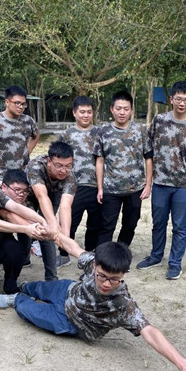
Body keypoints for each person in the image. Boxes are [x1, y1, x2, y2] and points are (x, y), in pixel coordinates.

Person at [0, 235, 186, 371]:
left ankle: (16, 299)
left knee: (28, 309)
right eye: (102, 276)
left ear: (123, 274)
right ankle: (24, 287)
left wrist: (184, 364)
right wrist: (54, 234)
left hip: (71, 323)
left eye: (114, 279)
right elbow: (73, 247)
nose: (107, 283)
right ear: (96, 266)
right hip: (67, 291)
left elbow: (150, 332)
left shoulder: (123, 304)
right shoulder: (93, 263)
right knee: (38, 287)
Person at [137, 81, 186, 280]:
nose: (182, 103)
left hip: (183, 184)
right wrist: (148, 182)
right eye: (178, 99)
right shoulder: (159, 121)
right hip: (161, 182)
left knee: (179, 226)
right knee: (158, 223)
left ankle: (175, 263)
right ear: (171, 99)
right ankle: (156, 256)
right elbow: (149, 151)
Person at [95, 91, 152, 248]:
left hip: (135, 188)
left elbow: (148, 158)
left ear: (131, 110)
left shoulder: (141, 130)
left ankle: (121, 253)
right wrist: (100, 188)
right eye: (118, 108)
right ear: (112, 109)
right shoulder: (103, 132)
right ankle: (102, 257)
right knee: (106, 225)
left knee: (130, 225)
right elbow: (100, 160)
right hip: (110, 189)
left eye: (126, 109)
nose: (122, 112)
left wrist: (148, 185)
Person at [56, 96, 102, 268]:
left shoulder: (100, 133)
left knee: (95, 223)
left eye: (89, 112)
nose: (86, 115)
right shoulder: (66, 134)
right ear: (74, 113)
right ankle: (63, 254)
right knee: (69, 221)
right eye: (82, 112)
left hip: (96, 185)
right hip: (73, 185)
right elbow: (57, 157)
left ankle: (89, 252)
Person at [26, 140, 77, 280]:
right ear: (49, 161)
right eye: (59, 165)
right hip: (30, 194)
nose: (63, 170)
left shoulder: (70, 177)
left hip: (53, 194)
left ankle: (51, 277)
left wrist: (65, 238)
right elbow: (41, 196)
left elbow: (65, 206)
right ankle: (24, 257)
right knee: (30, 227)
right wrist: (53, 223)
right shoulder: (35, 167)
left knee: (48, 232)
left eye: (68, 166)